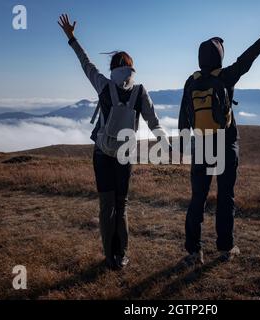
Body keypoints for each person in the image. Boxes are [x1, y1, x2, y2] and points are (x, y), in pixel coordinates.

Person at [178, 5, 260, 265]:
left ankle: (194, 251)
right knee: (225, 196)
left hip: (202, 146)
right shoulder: (226, 76)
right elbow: (251, 55)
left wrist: (187, 145)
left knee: (198, 199)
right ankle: (225, 248)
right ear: (219, 57)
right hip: (226, 143)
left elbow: (183, 116)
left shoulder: (191, 81)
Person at [58, 14, 170, 270]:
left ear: (112, 68)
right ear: (132, 69)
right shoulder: (140, 91)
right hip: (125, 155)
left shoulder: (103, 85)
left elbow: (86, 64)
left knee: (106, 205)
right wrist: (163, 141)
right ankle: (123, 256)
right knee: (122, 205)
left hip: (101, 152)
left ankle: (109, 256)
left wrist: (71, 38)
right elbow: (154, 121)